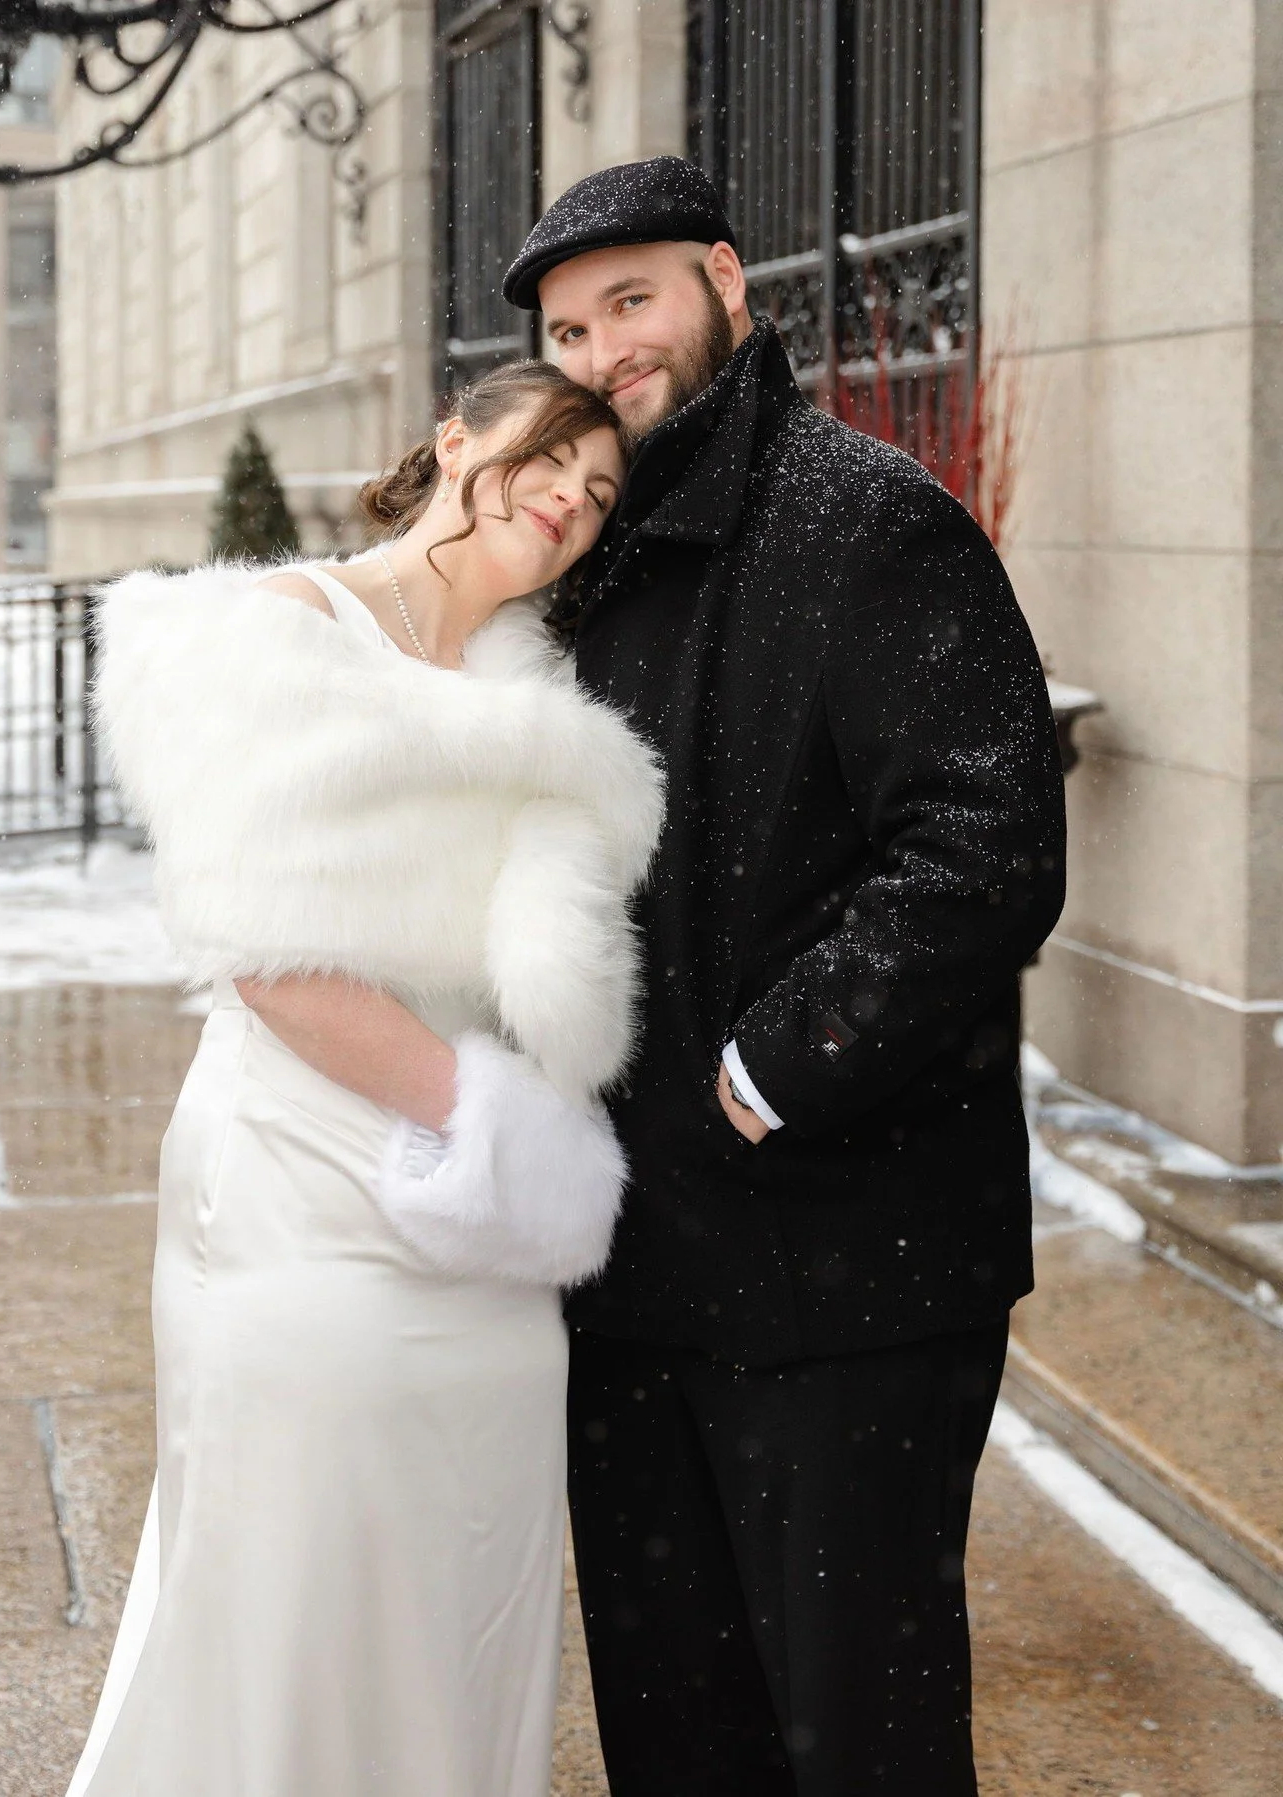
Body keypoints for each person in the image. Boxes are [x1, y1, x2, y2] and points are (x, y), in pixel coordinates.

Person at [501, 157, 1069, 1795]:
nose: (607, 350)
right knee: (682, 1728)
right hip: (633, 1277)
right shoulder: (578, 564)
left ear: (728, 289)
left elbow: (983, 844)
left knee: (857, 1739)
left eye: (634, 301)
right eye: (569, 328)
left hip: (841, 1265)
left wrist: (777, 1071)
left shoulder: (867, 516)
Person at [64, 360, 664, 1797]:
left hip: (490, 1228)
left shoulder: (537, 691)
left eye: (596, 493)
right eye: (549, 458)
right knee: (304, 1561)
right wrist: (492, 1129)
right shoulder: (290, 631)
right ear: (455, 439)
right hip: (305, 1169)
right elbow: (268, 953)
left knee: (467, 1575)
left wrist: (515, 1152)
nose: (570, 501)